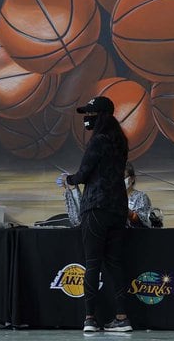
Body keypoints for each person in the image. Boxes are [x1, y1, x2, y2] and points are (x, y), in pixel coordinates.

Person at [57, 96, 132, 333]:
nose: (86, 119)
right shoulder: (121, 141)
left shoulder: (97, 141)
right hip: (118, 208)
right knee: (115, 263)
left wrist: (68, 179)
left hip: (96, 208)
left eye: (89, 114)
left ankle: (89, 318)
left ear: (100, 116)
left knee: (92, 263)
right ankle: (122, 318)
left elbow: (83, 174)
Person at [125, 162, 153, 228]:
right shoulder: (108, 197)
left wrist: (128, 212)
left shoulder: (141, 197)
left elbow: (144, 221)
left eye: (122, 176)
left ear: (132, 179)